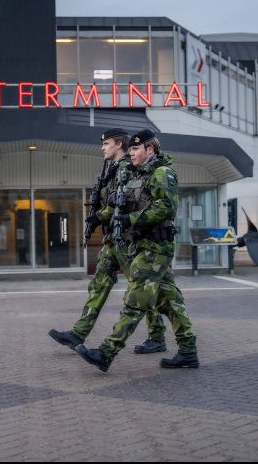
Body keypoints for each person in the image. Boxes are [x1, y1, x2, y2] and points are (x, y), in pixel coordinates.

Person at [75, 129, 199, 372]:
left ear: (149, 150)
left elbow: (165, 208)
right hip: (140, 245)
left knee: (135, 299)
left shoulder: (163, 174)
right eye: (130, 148)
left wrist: (131, 219)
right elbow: (117, 206)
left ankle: (106, 352)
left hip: (156, 247)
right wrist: (100, 217)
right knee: (170, 301)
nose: (131, 153)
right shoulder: (136, 175)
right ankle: (188, 351)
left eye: (135, 149)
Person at [49, 128, 168, 353]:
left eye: (106, 144)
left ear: (118, 145)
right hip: (113, 239)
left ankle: (157, 336)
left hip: (127, 240)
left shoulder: (126, 169)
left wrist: (105, 216)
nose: (103, 148)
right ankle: (78, 333)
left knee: (141, 288)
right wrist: (97, 217)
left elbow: (126, 204)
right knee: (100, 283)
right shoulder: (111, 169)